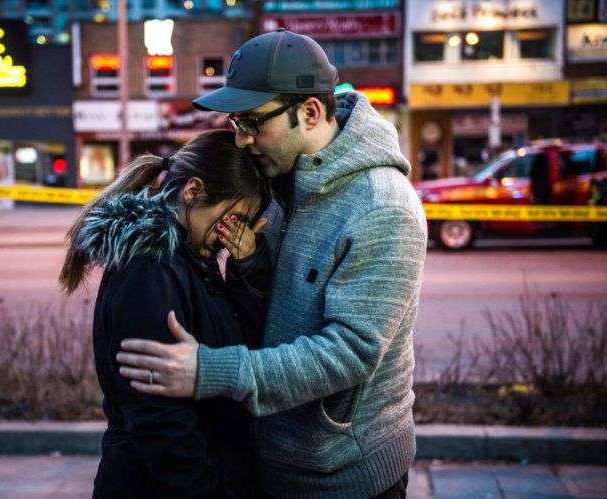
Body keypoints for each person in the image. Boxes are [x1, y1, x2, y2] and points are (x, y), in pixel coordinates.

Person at [116, 29, 428, 499]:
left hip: (342, 477)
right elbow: (287, 304)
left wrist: (211, 371)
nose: (241, 141)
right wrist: (252, 264)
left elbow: (349, 353)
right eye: (236, 123)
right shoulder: (283, 180)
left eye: (252, 122)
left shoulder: (382, 207)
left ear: (310, 112)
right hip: (274, 464)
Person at [59, 130, 271, 499]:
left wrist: (247, 266)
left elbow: (248, 341)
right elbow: (159, 420)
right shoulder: (150, 270)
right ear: (193, 191)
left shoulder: (190, 262)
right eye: (234, 216)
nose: (232, 233)